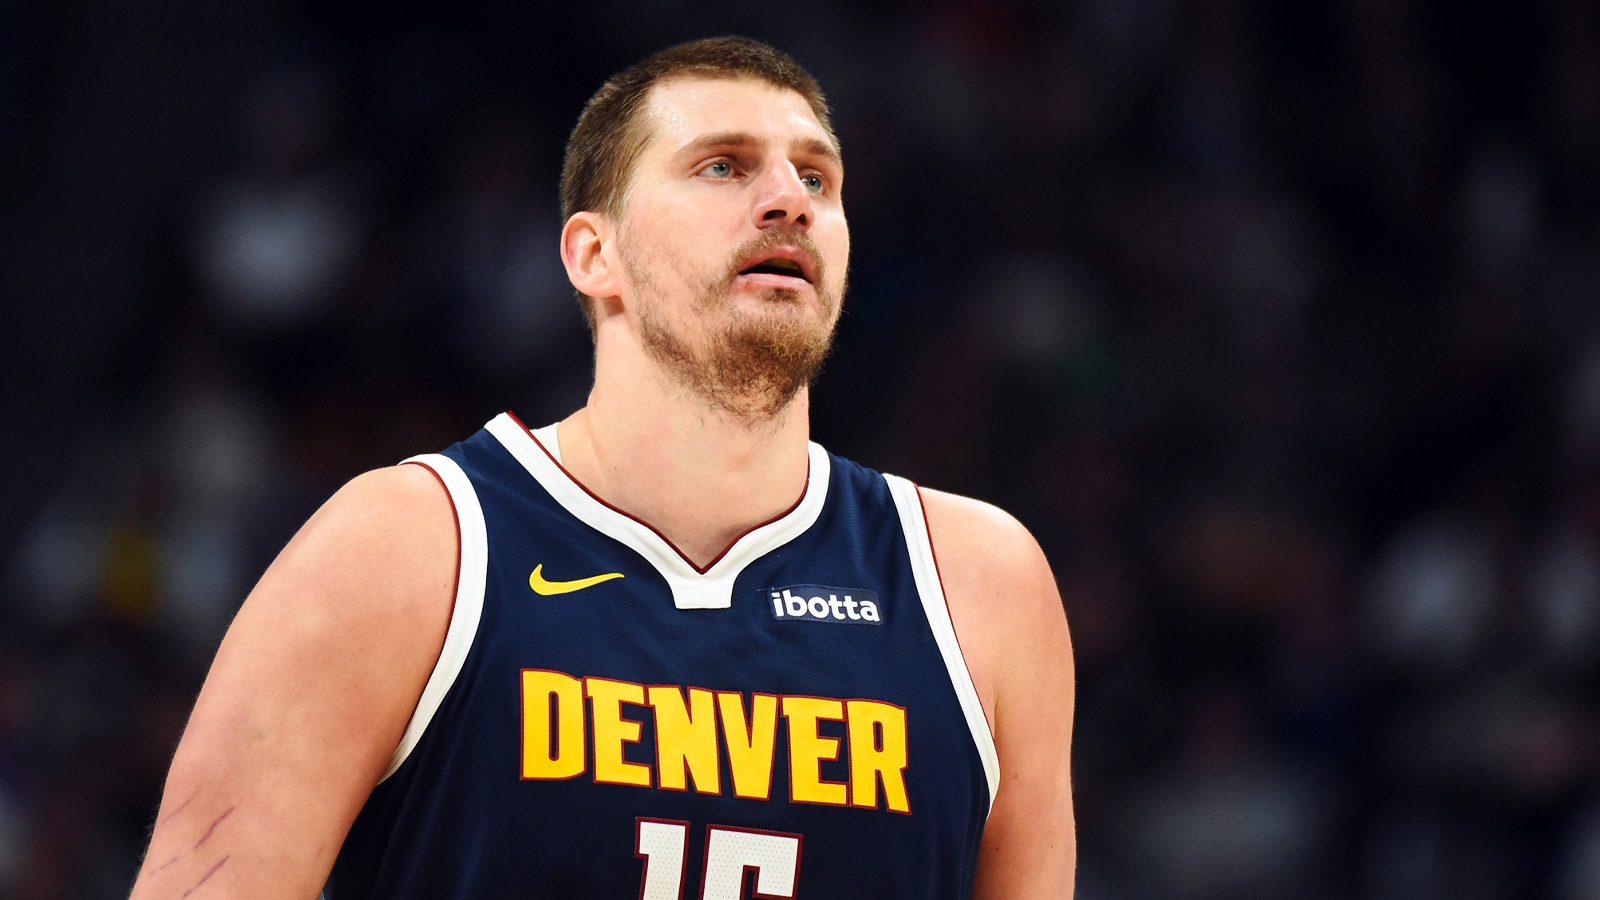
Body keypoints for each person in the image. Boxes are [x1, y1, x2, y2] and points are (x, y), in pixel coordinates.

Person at [127, 36, 1075, 900]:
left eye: (818, 180)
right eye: (722, 166)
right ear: (594, 254)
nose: (788, 198)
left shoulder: (981, 585)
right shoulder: (405, 551)